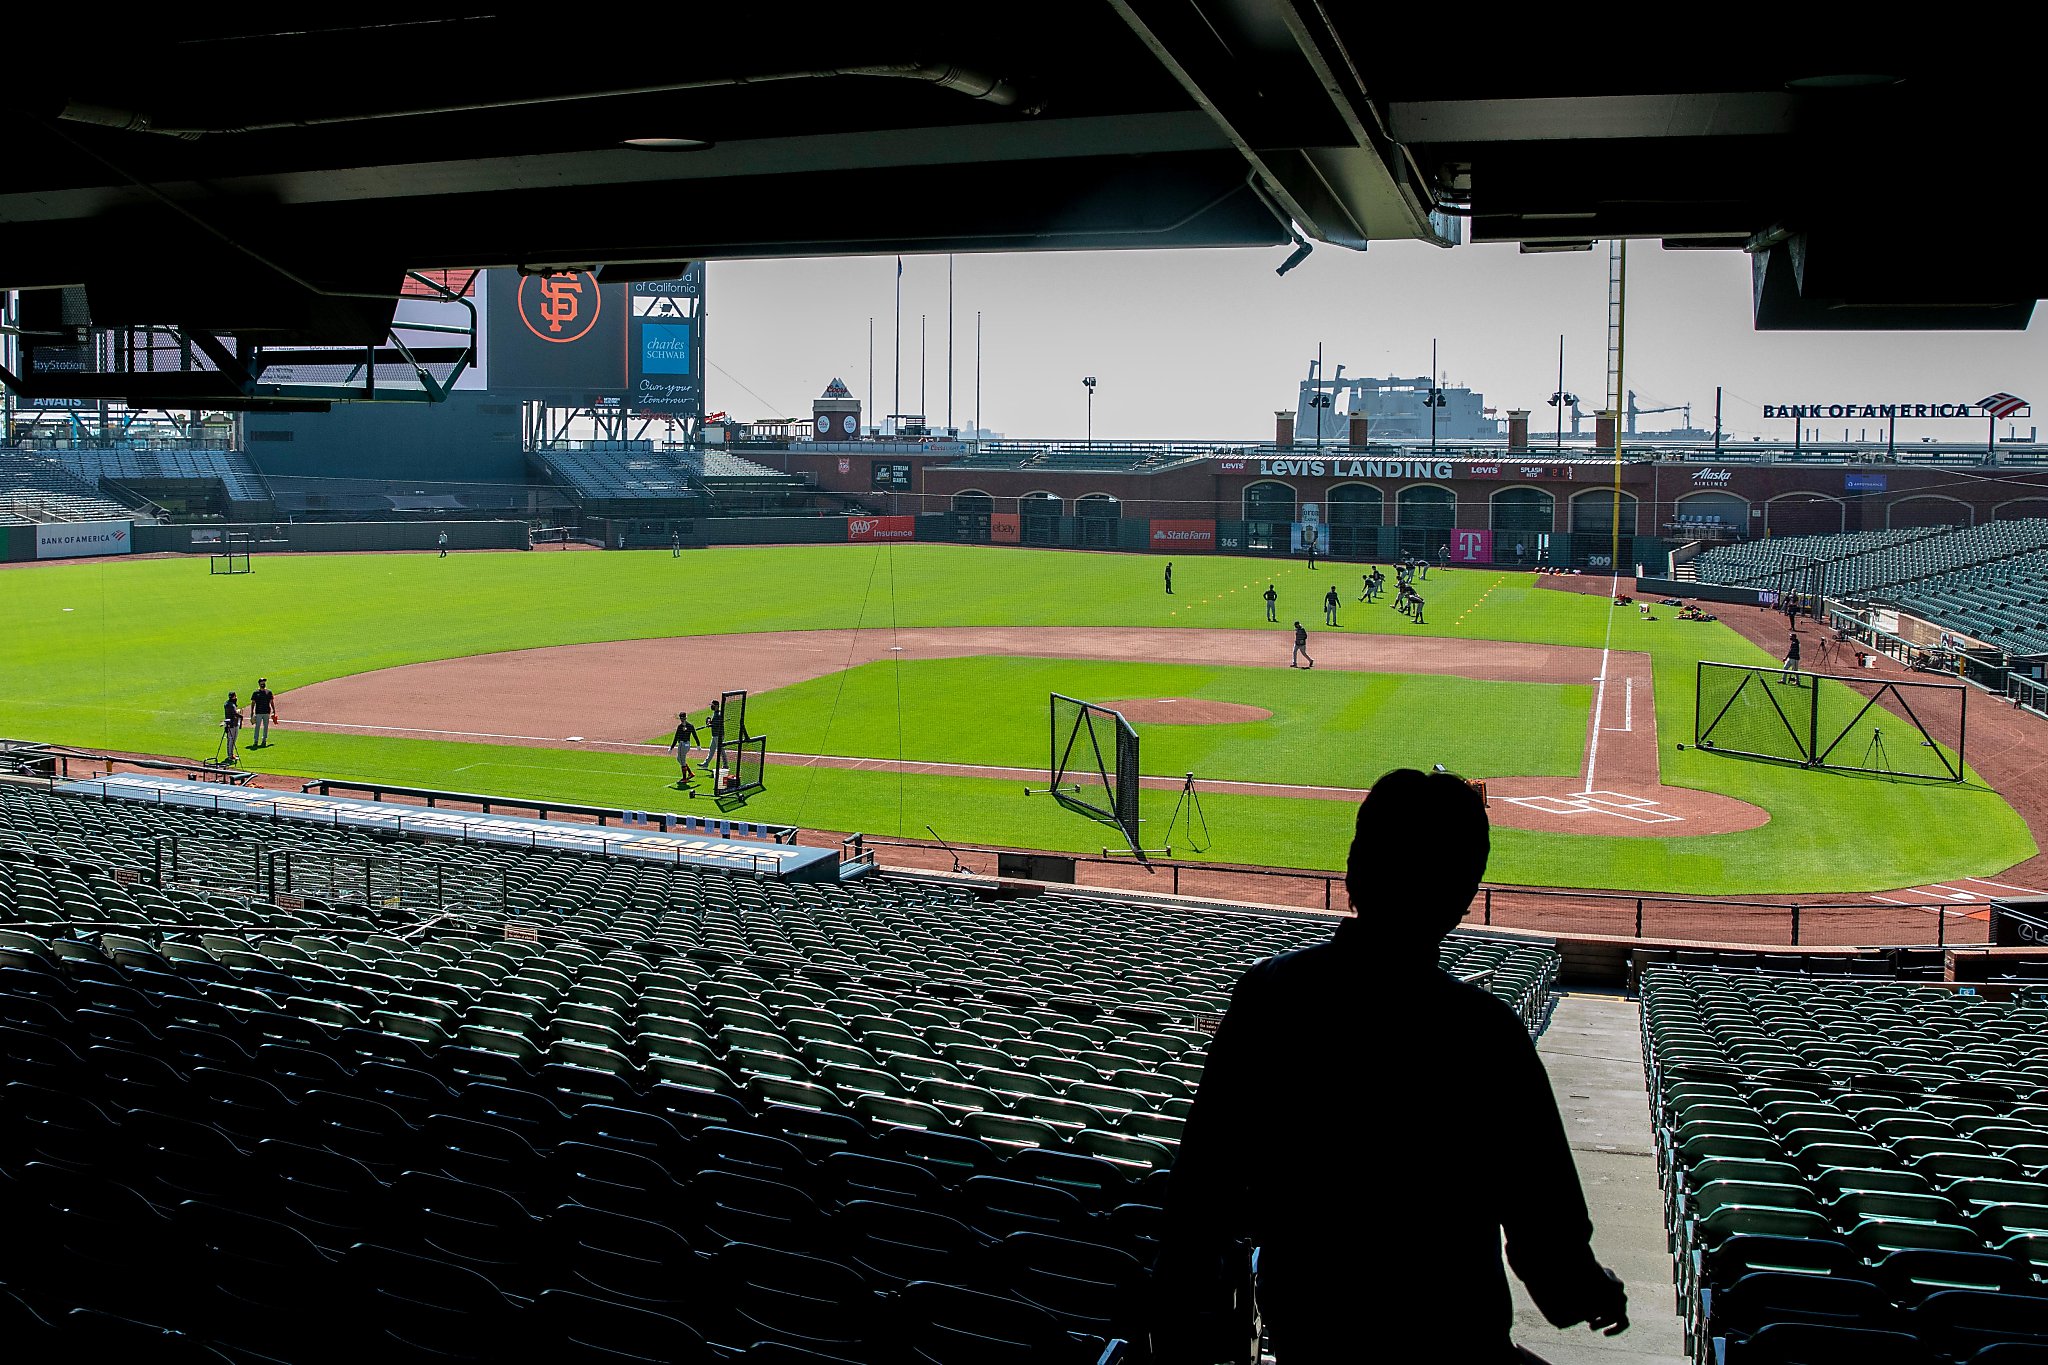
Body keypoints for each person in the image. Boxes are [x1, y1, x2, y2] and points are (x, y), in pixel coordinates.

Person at [1153, 769, 1629, 1363]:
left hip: (1309, 1336)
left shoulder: (1269, 996)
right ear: (1461, 897)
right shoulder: (1485, 1035)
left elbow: (1202, 1186)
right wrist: (1595, 1293)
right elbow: (1552, 1261)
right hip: (1451, 1345)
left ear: (1353, 870)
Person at [667, 712, 699, 787]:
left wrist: (698, 744)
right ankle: (690, 773)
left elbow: (694, 735)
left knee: (682, 760)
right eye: (681, 718)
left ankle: (684, 778)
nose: (682, 719)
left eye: (683, 717)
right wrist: (672, 747)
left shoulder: (687, 726)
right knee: (679, 759)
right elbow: (676, 737)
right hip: (686, 745)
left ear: (685, 717)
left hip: (683, 745)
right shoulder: (687, 726)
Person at [249, 678, 278, 749]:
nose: (263, 684)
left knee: (266, 727)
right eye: (262, 682)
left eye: (264, 682)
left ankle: (264, 740)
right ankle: (256, 741)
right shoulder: (256, 693)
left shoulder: (269, 692)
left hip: (266, 712)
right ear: (259, 684)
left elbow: (271, 702)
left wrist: (274, 710)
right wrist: (252, 712)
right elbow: (253, 703)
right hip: (258, 712)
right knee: (257, 727)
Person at [220, 692, 243, 764]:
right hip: (232, 724)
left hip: (230, 724)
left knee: (230, 740)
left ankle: (230, 754)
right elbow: (234, 713)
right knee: (232, 740)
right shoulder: (231, 705)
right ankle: (230, 755)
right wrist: (240, 716)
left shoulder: (227, 703)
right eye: (235, 696)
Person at [705, 698, 727, 772]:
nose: (712, 707)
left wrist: (710, 724)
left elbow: (717, 724)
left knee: (721, 750)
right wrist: (709, 722)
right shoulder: (715, 713)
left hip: (718, 735)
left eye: (713, 705)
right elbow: (713, 722)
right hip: (715, 735)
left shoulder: (719, 714)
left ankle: (725, 765)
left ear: (717, 706)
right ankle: (706, 763)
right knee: (711, 750)